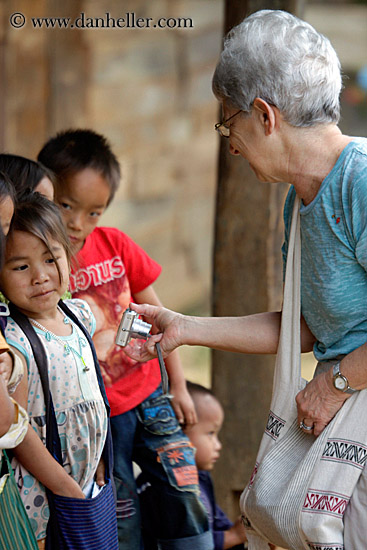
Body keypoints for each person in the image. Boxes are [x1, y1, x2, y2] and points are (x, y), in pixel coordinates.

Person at [123, 9, 367, 549]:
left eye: (227, 121)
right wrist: (185, 327)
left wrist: (335, 383)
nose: (229, 142)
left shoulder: (362, 180)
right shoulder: (299, 204)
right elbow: (307, 326)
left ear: (264, 115)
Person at [38, 129, 213, 550]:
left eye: (94, 212)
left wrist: (178, 385)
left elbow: (162, 320)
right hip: (99, 418)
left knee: (183, 488)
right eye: (65, 205)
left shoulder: (116, 245)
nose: (78, 223)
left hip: (150, 396)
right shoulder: (42, 269)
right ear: (43, 194)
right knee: (120, 514)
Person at [0, 194, 117, 548]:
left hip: (91, 484)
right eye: (21, 267)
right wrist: (65, 486)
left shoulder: (78, 316)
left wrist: (96, 469)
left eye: (51, 259)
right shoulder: (14, 340)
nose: (40, 277)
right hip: (44, 494)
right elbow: (19, 432)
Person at [185, 382, 247, 550]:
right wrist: (233, 536)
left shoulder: (201, 479)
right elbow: (185, 542)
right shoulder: (164, 488)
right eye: (210, 434)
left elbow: (220, 525)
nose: (218, 445)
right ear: (178, 431)